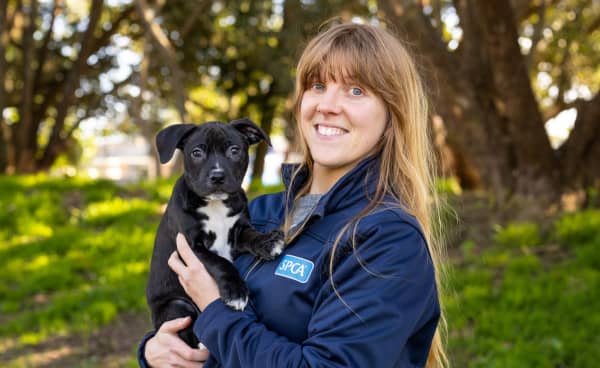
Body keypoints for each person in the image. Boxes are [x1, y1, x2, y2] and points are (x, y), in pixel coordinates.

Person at [139, 21, 448, 368]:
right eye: (317, 85)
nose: (328, 105)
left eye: (356, 90)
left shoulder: (387, 240)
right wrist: (158, 350)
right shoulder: (261, 212)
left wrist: (215, 311)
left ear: (393, 114)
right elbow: (204, 335)